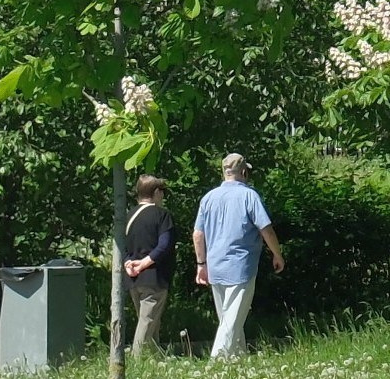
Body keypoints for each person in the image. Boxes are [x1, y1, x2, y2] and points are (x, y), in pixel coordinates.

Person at [192, 152, 284, 360]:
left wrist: (201, 264)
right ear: (244, 172)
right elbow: (266, 229)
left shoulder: (208, 198)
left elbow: (198, 234)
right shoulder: (249, 195)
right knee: (231, 321)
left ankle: (238, 361)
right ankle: (216, 364)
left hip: (215, 266)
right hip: (240, 266)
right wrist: (277, 254)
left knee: (231, 318)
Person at [122, 175, 176, 355]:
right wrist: (145, 263)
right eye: (162, 192)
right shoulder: (162, 215)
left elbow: (121, 246)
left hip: (133, 278)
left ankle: (155, 358)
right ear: (156, 193)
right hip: (154, 277)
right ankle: (137, 361)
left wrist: (128, 263)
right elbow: (164, 245)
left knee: (150, 320)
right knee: (147, 321)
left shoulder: (128, 216)